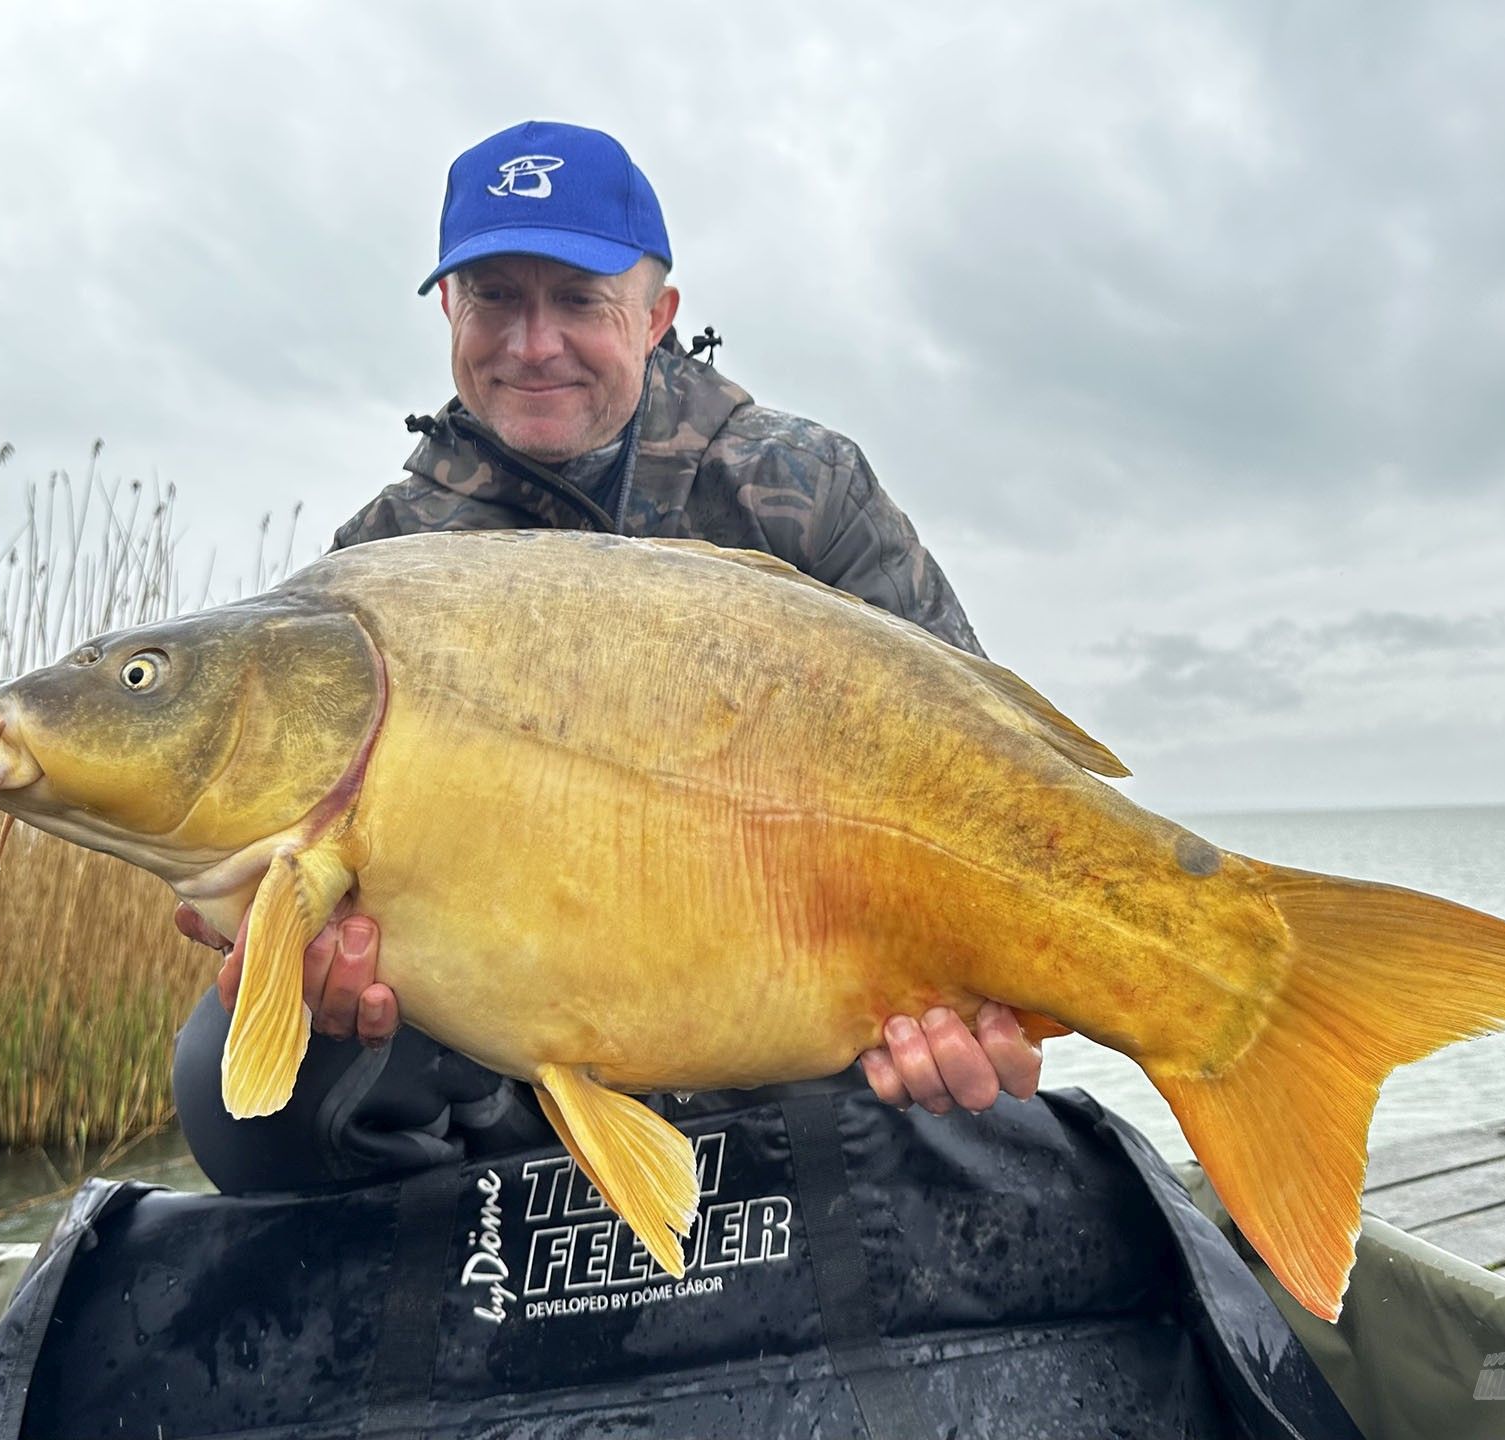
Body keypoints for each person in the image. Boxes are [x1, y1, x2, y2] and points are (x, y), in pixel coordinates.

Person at [170, 120, 1059, 1192]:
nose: (532, 343)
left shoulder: (802, 487)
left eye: (580, 301)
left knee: (966, 1085)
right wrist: (286, 958)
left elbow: (991, 782)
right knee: (226, 1083)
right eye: (495, 295)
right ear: (450, 308)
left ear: (657, 316)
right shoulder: (380, 565)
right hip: (504, 1066)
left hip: (796, 1025)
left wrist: (983, 1007)